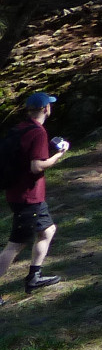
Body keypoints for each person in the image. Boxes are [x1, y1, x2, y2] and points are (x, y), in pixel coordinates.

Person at [1, 92, 70, 297]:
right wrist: (59, 154)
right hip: (28, 197)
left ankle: (34, 277)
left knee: (47, 231)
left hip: (21, 194)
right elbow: (36, 166)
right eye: (50, 105)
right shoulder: (39, 133)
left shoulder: (20, 129)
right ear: (46, 109)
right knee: (15, 245)